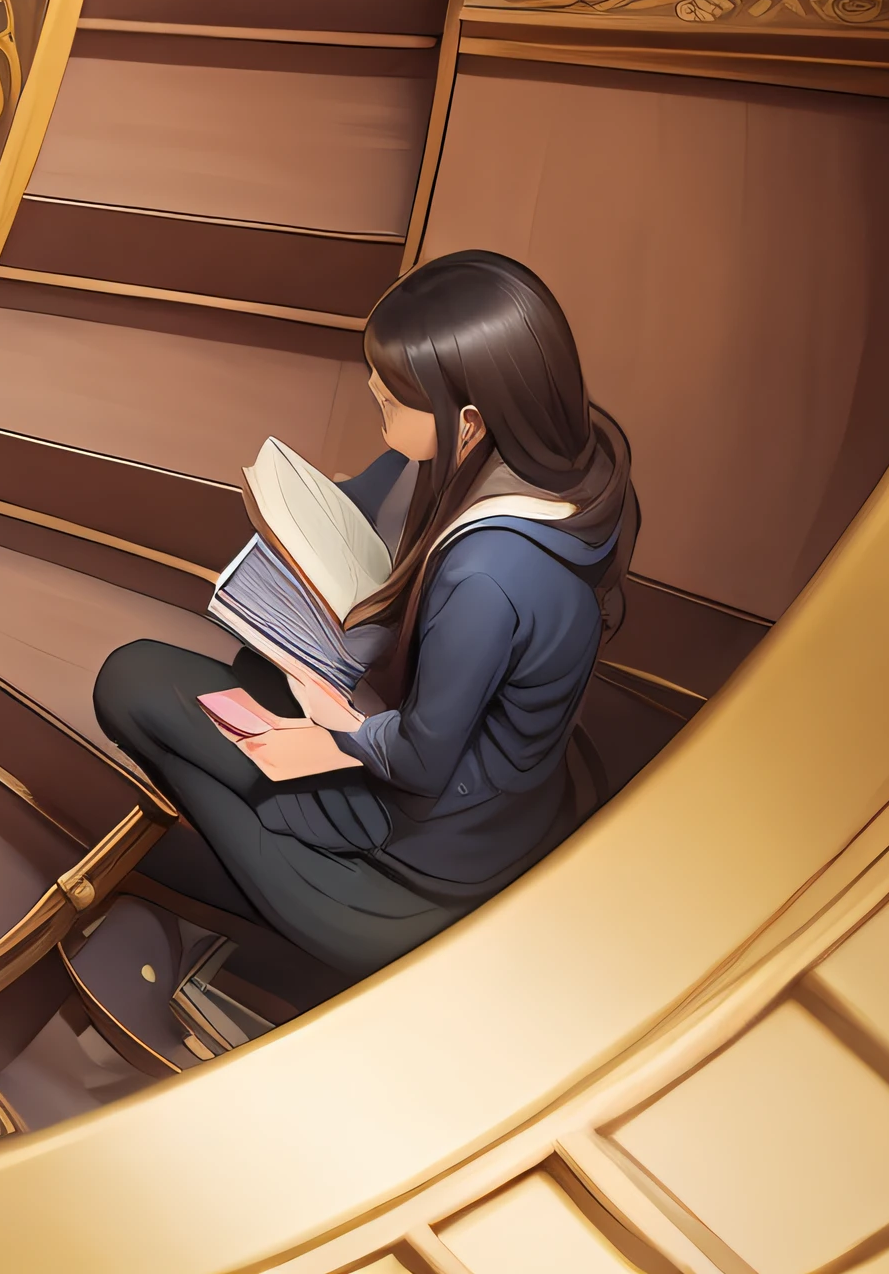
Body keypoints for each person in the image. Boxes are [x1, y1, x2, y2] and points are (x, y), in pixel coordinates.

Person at [93, 250, 638, 988]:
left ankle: (292, 884)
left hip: (431, 839)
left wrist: (333, 736)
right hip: (502, 790)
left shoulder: (487, 578)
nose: (379, 416)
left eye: (389, 404)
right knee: (259, 665)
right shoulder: (575, 465)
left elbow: (420, 761)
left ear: (468, 423)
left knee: (131, 682)